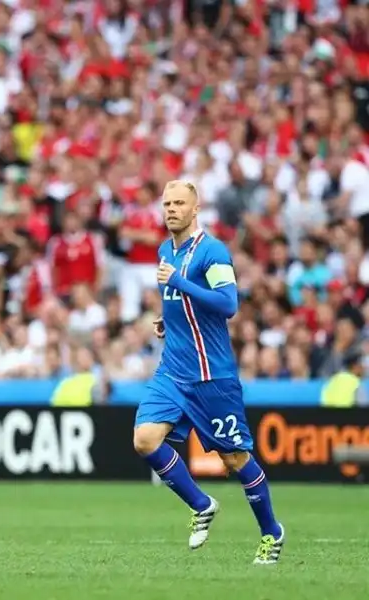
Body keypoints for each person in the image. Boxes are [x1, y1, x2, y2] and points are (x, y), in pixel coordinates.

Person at [133, 180, 285, 565]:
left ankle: (272, 532)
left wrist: (179, 282)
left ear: (195, 208)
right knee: (145, 439)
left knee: (235, 460)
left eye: (179, 203)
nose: (171, 209)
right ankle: (201, 504)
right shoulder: (165, 249)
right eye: (167, 203)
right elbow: (180, 302)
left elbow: (228, 303)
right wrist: (168, 321)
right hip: (173, 370)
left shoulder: (212, 252)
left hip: (210, 375)